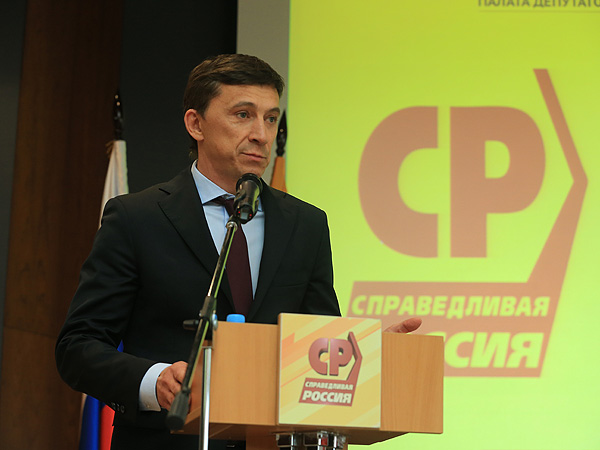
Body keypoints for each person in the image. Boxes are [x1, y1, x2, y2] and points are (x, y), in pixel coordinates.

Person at [55, 54, 421, 450]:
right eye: (243, 115)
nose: (262, 134)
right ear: (195, 124)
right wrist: (154, 380)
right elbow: (78, 347)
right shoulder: (137, 218)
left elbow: (317, 345)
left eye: (270, 118)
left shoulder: (306, 225)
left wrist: (369, 356)